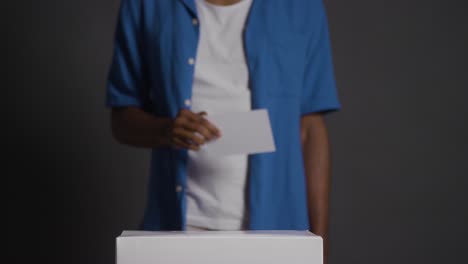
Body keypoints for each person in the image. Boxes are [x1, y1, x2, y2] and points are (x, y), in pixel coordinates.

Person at [107, 0, 340, 262]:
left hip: (279, 236)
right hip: (175, 234)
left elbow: (310, 128)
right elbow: (122, 117)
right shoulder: (145, 5)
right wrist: (165, 129)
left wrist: (320, 242)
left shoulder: (301, 7)